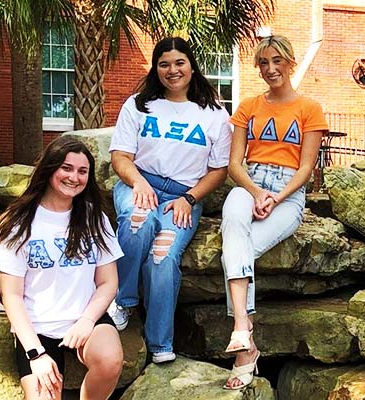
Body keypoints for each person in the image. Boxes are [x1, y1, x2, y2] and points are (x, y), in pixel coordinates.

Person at [107, 37, 232, 364]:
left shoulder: (215, 114)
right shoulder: (138, 104)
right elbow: (120, 156)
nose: (172, 70)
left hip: (183, 197)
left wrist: (189, 199)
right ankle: (122, 301)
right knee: (138, 221)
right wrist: (138, 183)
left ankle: (160, 343)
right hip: (139, 183)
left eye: (179, 63)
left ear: (191, 66)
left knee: (163, 256)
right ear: (156, 68)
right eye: (164, 64)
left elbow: (218, 170)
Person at [220, 34, 327, 390]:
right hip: (249, 183)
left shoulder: (309, 108)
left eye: (276, 61)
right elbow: (235, 163)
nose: (270, 69)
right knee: (233, 220)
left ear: (289, 62)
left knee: (240, 251)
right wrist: (255, 191)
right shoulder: (249, 106)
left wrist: (275, 198)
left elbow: (306, 170)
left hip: (288, 195)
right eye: (263, 63)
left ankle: (244, 348)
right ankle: (243, 331)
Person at [0, 137, 124, 400]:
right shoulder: (17, 222)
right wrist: (35, 354)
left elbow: (108, 282)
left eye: (82, 171)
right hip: (37, 327)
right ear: (50, 168)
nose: (74, 177)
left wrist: (86, 321)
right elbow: (11, 296)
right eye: (66, 168)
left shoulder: (94, 216)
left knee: (110, 361)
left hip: (87, 318)